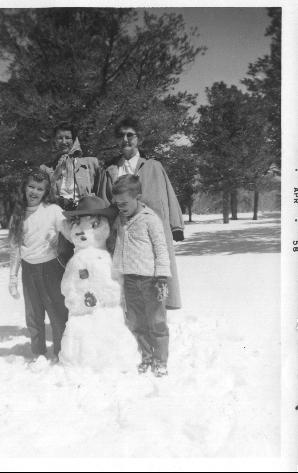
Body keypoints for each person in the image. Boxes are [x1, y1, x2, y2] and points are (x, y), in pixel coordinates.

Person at [97, 116, 184, 310]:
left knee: (151, 271)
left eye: (130, 135)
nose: (126, 139)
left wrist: (176, 224)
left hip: (150, 229)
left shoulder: (153, 166)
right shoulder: (110, 170)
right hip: (122, 231)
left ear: (139, 139)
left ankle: (155, 312)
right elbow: (103, 201)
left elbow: (169, 195)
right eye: (121, 136)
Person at [112, 175, 171, 377]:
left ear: (137, 197)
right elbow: (119, 248)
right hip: (130, 280)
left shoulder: (150, 219)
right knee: (137, 322)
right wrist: (117, 272)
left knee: (157, 322)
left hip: (151, 281)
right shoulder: (121, 220)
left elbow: (161, 249)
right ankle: (146, 356)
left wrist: (162, 277)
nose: (121, 207)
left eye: (125, 203)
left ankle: (161, 360)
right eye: (118, 204)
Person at [8, 168, 69, 361]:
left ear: (46, 191)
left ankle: (61, 352)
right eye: (31, 186)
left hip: (51, 268)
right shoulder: (18, 214)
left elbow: (71, 234)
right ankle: (38, 352)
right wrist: (12, 277)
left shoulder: (53, 210)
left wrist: (59, 240)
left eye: (40, 189)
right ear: (24, 188)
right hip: (29, 270)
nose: (34, 192)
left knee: (57, 312)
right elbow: (15, 248)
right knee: (33, 315)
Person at [41, 122, 102, 267]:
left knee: (89, 253)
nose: (63, 142)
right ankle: (69, 283)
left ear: (74, 140)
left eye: (67, 138)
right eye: (59, 138)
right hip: (61, 215)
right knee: (62, 252)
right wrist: (55, 174)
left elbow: (100, 189)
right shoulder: (46, 168)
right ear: (54, 141)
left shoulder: (90, 163)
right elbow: (43, 196)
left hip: (85, 214)